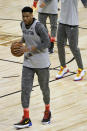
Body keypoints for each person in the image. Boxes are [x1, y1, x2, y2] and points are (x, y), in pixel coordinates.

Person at [14, 6, 51, 129]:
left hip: (42, 64)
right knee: (25, 90)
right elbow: (25, 36)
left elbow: (47, 43)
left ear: (32, 15)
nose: (25, 18)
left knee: (44, 89)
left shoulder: (39, 26)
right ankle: (26, 118)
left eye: (27, 16)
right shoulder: (22, 24)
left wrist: (28, 48)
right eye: (23, 16)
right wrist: (20, 42)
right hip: (28, 62)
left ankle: (47, 111)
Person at [56, 0, 86, 81]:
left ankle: (81, 69)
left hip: (72, 24)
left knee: (74, 47)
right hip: (62, 22)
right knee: (59, 45)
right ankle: (63, 67)